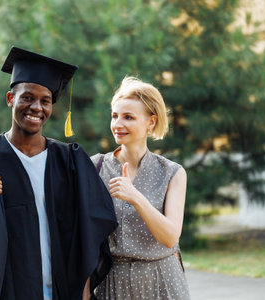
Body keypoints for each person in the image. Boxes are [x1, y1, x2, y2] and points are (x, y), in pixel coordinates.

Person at [0, 46, 118, 300]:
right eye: (27, 97)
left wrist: (84, 289)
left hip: (62, 291)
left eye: (45, 100)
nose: (36, 107)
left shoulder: (69, 161)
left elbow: (91, 231)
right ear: (10, 99)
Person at [91, 77, 191, 299]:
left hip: (162, 280)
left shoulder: (172, 172)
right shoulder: (95, 167)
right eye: (114, 115)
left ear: (151, 122)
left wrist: (135, 197)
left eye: (128, 117)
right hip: (113, 282)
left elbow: (170, 237)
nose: (118, 123)